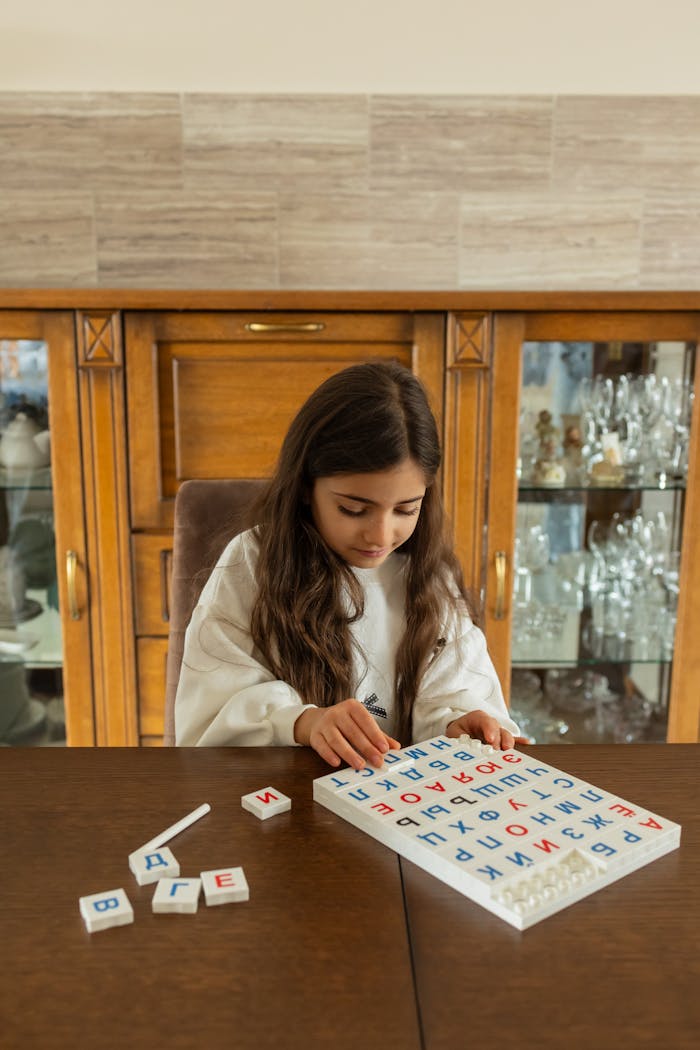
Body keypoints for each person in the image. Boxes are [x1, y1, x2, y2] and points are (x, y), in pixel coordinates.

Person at [175, 360, 520, 768]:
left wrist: (457, 723)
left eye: (406, 509)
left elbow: (455, 689)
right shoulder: (252, 563)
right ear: (306, 487)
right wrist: (302, 722)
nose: (380, 536)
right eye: (354, 509)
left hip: (399, 797)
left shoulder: (429, 575)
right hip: (291, 789)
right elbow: (211, 710)